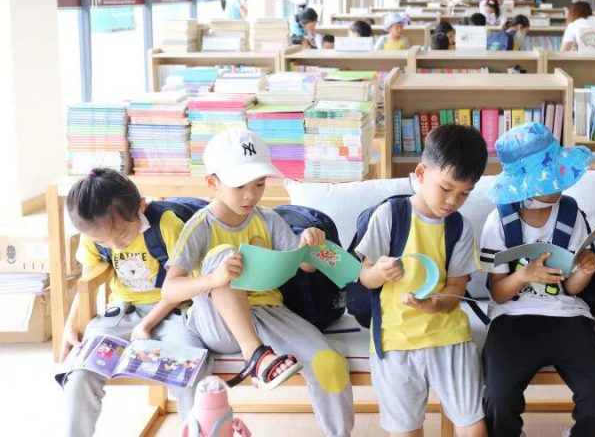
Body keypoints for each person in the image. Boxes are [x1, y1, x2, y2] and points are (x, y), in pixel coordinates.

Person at [163, 129, 354, 437]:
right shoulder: (200, 226)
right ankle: (255, 356)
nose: (250, 195)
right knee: (224, 255)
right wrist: (214, 278)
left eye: (259, 183)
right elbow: (170, 289)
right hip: (216, 323)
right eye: (240, 185)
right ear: (212, 182)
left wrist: (311, 243)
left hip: (268, 314)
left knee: (330, 363)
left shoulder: (268, 220)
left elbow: (303, 264)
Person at [480, 123, 595, 437]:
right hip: (512, 318)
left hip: (567, 315)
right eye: (552, 177)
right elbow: (498, 293)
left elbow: (570, 289)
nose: (561, 182)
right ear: (526, 186)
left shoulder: (571, 215)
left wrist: (585, 272)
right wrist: (524, 275)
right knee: (498, 398)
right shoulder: (498, 222)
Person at [355, 124, 489, 437]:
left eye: (464, 193)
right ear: (421, 172)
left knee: (473, 425)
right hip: (395, 340)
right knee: (406, 430)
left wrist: (436, 304)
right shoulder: (390, 215)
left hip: (449, 337)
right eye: (446, 188)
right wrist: (379, 272)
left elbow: (456, 287)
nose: (453, 201)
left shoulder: (460, 227)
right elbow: (365, 277)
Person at [57, 169, 207, 437]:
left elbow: (187, 283)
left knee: (191, 371)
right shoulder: (94, 232)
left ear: (141, 206)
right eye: (102, 241)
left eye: (122, 236)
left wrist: (148, 324)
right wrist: (70, 325)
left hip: (173, 311)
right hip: (122, 315)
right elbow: (87, 278)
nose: (115, 246)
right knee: (79, 376)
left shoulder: (166, 225)